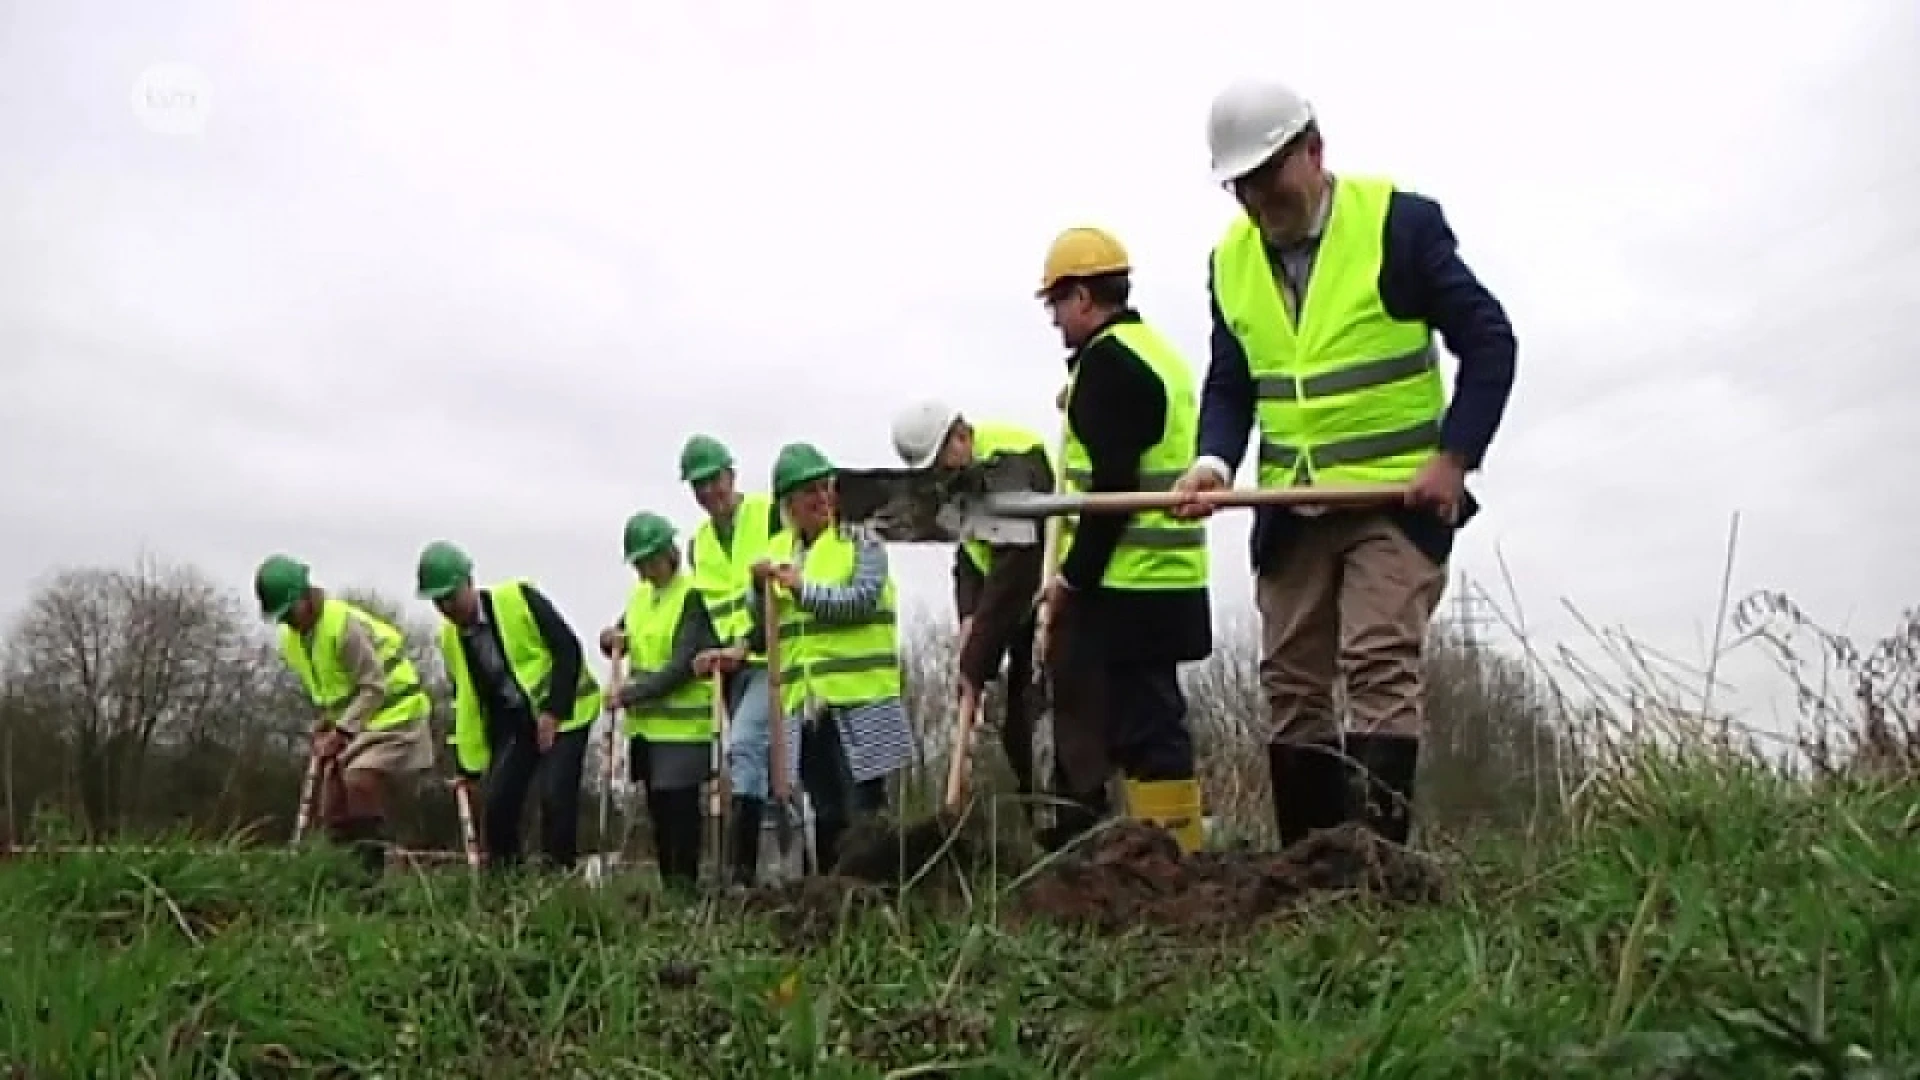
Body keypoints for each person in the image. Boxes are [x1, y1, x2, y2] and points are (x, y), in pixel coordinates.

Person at [1171, 78, 1518, 849]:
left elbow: (1491, 341)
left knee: (1377, 661)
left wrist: (1454, 457)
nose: (1260, 199)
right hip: (1292, 509)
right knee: (1291, 682)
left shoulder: (1400, 225)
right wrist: (1212, 463)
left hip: (1395, 503)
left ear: (1315, 151)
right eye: (1243, 186)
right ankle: (1309, 871)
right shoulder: (1228, 264)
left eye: (1270, 176)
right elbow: (1232, 381)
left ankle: (1380, 872)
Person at [1031, 225, 1213, 854]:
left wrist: (1072, 579)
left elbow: (1111, 488)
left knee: (1142, 728)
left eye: (1056, 304)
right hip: (1170, 576)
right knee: (1152, 722)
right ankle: (1164, 854)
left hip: (1127, 582)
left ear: (1083, 297)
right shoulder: (1153, 352)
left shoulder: (1109, 365)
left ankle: (1166, 865)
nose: (1055, 320)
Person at [705, 442, 917, 874]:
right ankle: (833, 898)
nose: (822, 499)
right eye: (809, 493)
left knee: (866, 809)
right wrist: (756, 590)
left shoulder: (861, 541)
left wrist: (801, 588)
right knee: (826, 810)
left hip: (860, 701)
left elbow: (859, 600)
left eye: (826, 488)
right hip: (806, 707)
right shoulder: (778, 550)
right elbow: (764, 631)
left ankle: (880, 899)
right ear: (789, 505)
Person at [888, 400, 1055, 809]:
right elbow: (969, 558)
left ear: (960, 437)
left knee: (1042, 722)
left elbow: (1014, 565)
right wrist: (967, 618)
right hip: (1015, 606)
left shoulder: (1009, 463)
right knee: (1016, 729)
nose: (940, 480)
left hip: (1054, 595)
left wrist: (975, 662)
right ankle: (1044, 831)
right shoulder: (964, 482)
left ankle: (1074, 827)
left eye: (942, 467)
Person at [650, 433, 790, 888]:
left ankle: (743, 874)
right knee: (759, 764)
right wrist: (711, 650)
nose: (708, 492)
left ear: (732, 475)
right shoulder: (700, 544)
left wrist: (746, 643)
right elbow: (711, 610)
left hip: (778, 657)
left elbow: (784, 586)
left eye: (714, 481)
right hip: (734, 671)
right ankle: (768, 871)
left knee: (747, 748)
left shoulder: (769, 514)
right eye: (698, 486)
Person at [418, 540, 602, 873]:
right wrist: (467, 768)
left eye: (451, 596)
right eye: (438, 601)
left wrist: (552, 711)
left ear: (469, 583)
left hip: (568, 712)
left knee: (555, 797)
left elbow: (568, 649)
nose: (447, 606)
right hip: (516, 723)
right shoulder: (450, 639)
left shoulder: (517, 599)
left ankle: (557, 882)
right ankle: (507, 887)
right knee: (499, 805)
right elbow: (467, 703)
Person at [253, 554, 436, 877]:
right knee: (332, 806)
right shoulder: (294, 640)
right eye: (280, 617)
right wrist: (327, 723)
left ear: (305, 597)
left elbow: (373, 686)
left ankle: (372, 879)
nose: (287, 622)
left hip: (396, 716)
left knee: (359, 783)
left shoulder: (343, 626)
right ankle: (341, 879)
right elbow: (334, 691)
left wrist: (342, 732)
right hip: (358, 724)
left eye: (289, 612)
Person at [599, 511, 719, 895]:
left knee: (681, 818)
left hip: (684, 731)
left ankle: (686, 891)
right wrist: (611, 638)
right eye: (640, 562)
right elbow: (625, 635)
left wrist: (628, 694)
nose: (646, 568)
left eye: (651, 559)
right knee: (659, 815)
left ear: (670, 553)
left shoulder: (692, 596)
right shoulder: (640, 598)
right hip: (648, 732)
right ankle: (670, 891)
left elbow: (681, 665)